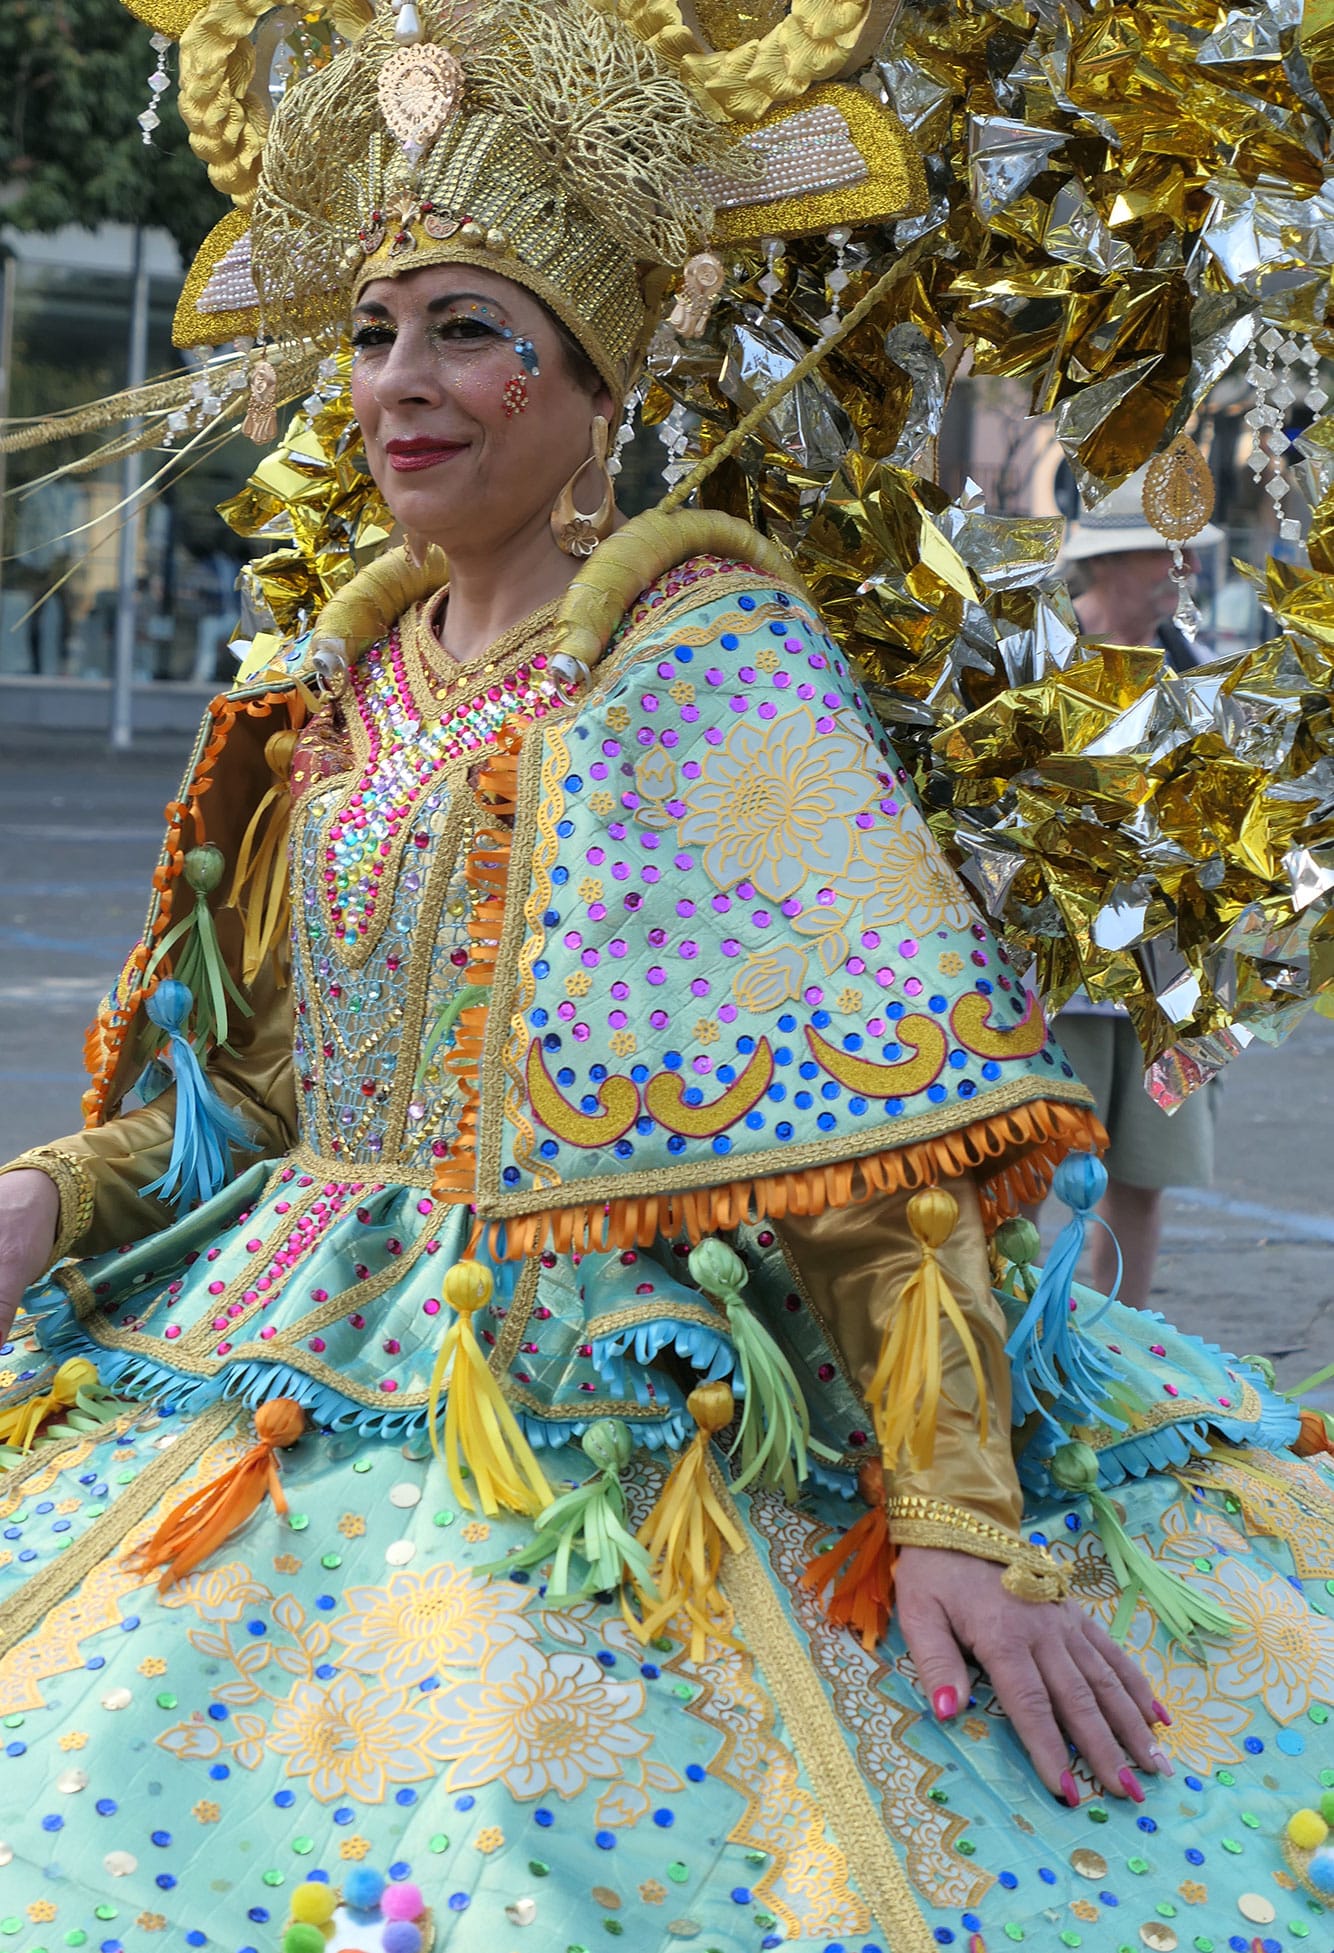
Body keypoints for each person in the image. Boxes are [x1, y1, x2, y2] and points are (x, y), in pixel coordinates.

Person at [0, 7, 1327, 1949]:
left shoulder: (698, 657)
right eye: (374, 332)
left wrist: (953, 1519)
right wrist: (51, 1196)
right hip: (292, 1365)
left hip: (640, 1412)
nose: (400, 385)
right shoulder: (331, 695)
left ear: (598, 370)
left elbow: (856, 1130)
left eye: (468, 327)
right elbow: (260, 1104)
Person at [1047, 472, 1225, 1306]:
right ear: (1113, 562)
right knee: (1036, 1163)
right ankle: (1025, 1326)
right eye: (1162, 551)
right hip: (1064, 965)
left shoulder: (1188, 660)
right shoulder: (1048, 655)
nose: (1177, 567)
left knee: (1146, 1169)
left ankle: (1125, 1335)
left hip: (1164, 967)